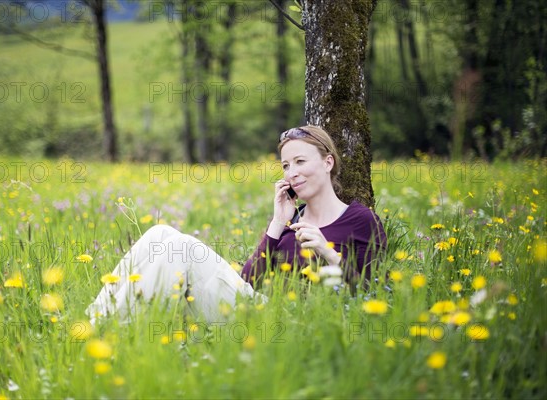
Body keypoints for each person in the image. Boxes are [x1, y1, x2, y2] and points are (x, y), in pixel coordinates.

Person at [85, 125, 386, 325]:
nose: (291, 173)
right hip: (253, 306)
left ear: (327, 162)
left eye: (300, 162)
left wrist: (328, 253)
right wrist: (277, 225)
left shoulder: (359, 220)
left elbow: (374, 293)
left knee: (180, 245)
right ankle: (95, 326)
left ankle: (109, 333)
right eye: (285, 165)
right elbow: (247, 281)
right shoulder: (290, 221)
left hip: (287, 323)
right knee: (159, 233)